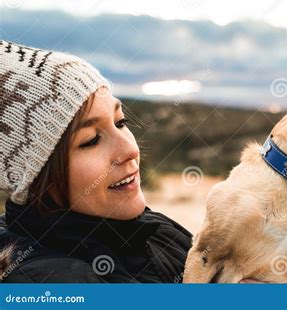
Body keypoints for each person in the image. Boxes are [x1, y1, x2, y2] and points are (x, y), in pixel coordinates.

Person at [0, 40, 192, 283]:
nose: (130, 149)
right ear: (33, 177)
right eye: (90, 140)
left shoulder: (157, 231)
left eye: (121, 122)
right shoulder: (49, 282)